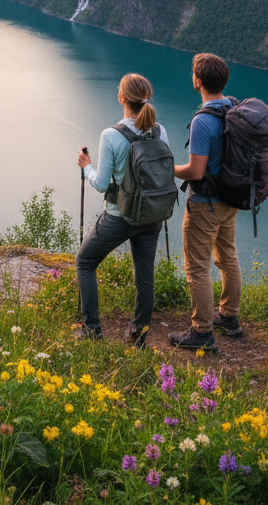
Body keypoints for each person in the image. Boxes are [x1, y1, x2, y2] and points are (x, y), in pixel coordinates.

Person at [75, 73, 168, 346]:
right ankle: (138, 337)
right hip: (151, 214)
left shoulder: (111, 135)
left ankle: (92, 330)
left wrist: (86, 167)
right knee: (145, 276)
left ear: (121, 98)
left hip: (119, 216)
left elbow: (102, 184)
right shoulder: (160, 131)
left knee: (85, 262)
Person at [169, 52, 243, 351]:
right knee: (227, 256)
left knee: (197, 267)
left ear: (197, 81)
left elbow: (196, 171)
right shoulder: (233, 107)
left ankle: (202, 332)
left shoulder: (203, 120)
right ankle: (229, 317)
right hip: (231, 198)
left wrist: (168, 168)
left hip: (205, 204)